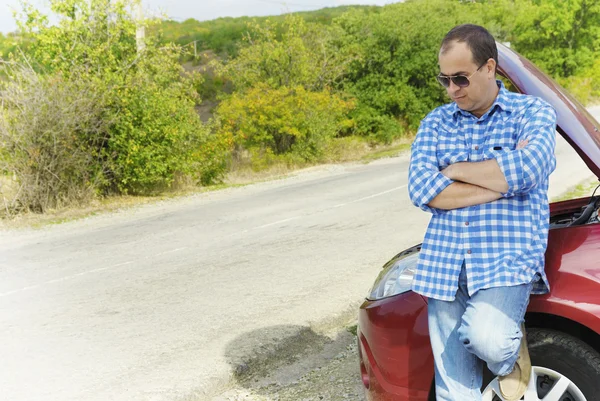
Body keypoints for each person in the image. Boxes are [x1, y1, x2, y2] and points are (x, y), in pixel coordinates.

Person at [407, 24, 557, 401]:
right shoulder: (436, 123)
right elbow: (422, 189)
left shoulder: (531, 112)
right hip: (444, 262)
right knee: (454, 390)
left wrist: (454, 170)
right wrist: (498, 179)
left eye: (461, 78)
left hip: (506, 257)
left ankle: (510, 357)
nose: (452, 89)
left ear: (489, 68)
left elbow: (530, 169)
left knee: (488, 339)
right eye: (445, 80)